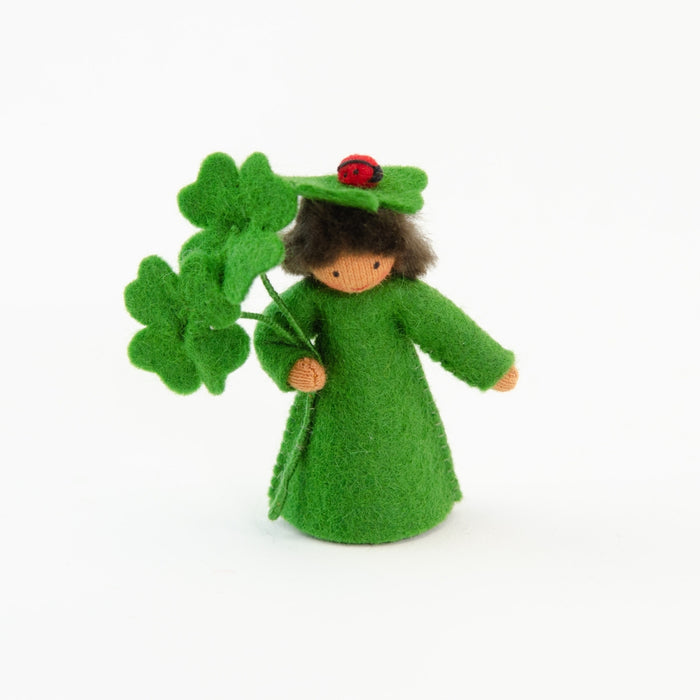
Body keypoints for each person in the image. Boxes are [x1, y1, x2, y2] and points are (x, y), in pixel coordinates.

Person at [253, 198, 517, 544]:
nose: (356, 279)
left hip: (398, 404)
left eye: (375, 263)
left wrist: (491, 367)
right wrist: (293, 364)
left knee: (401, 449)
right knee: (336, 456)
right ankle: (324, 510)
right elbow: (272, 334)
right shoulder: (312, 298)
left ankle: (413, 506)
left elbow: (449, 331)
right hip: (335, 406)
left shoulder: (400, 296)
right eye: (334, 271)